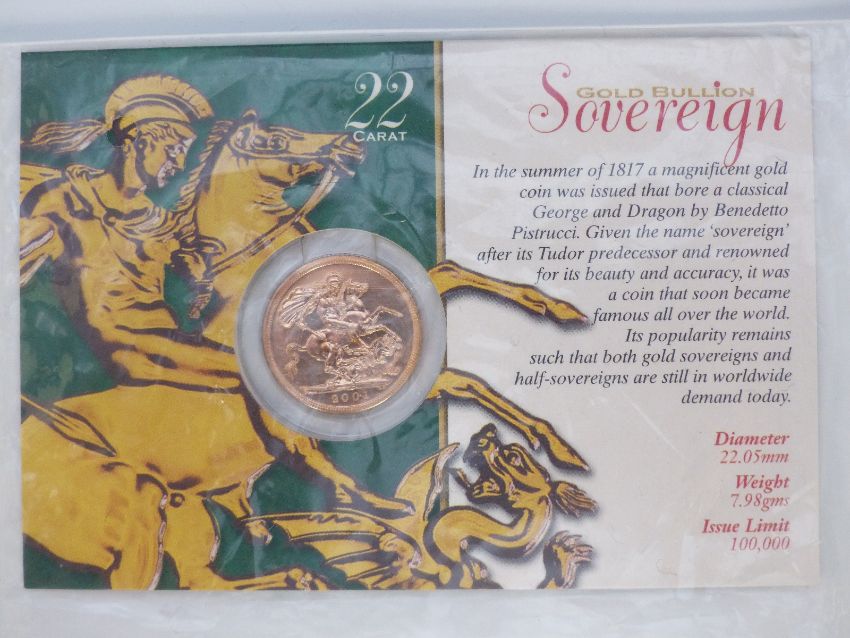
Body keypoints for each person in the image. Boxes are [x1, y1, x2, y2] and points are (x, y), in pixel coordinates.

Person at [20, 74, 240, 391]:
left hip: (170, 340)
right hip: (134, 351)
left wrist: (200, 276)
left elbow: (200, 271)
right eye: (174, 149)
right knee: (246, 377)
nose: (179, 164)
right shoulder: (66, 200)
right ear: (137, 137)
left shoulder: (162, 222)